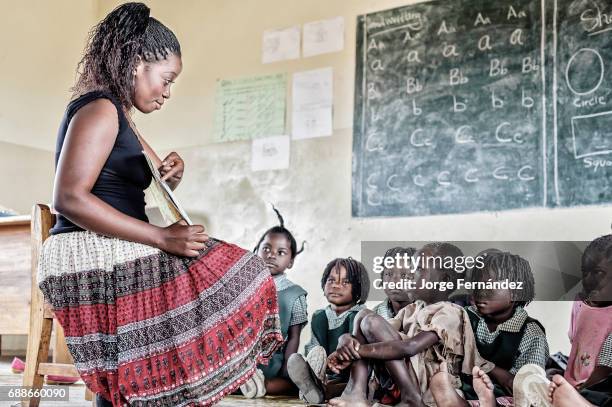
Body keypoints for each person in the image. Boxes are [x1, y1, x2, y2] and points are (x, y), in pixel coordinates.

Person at [36, 3, 282, 406]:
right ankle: (160, 388)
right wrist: (160, 237)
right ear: (136, 63)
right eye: (165, 79)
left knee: (218, 266)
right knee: (241, 273)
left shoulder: (120, 116)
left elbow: (153, 171)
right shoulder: (99, 109)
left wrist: (173, 171)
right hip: (90, 251)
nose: (167, 92)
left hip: (115, 248)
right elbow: (68, 198)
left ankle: (154, 389)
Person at [327, 242, 494, 407]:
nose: (411, 274)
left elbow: (411, 347)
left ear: (444, 280)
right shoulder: (413, 309)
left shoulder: (450, 312)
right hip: (409, 374)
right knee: (364, 315)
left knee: (370, 320)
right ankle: (356, 391)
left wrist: (356, 351)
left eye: (419, 269)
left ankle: (412, 399)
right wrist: (345, 341)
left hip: (430, 381)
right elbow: (378, 332)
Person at [239, 206, 307, 397]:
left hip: (273, 362)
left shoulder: (295, 294)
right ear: (256, 250)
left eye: (281, 252)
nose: (271, 255)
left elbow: (294, 336)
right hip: (241, 359)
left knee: (291, 384)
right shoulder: (244, 287)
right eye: (266, 249)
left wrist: (287, 367)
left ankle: (261, 385)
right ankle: (248, 384)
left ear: (291, 261)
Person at [462, 251, 549, 399]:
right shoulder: (465, 316)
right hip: (463, 385)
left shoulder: (532, 334)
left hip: (501, 396)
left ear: (515, 293)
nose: (481, 292)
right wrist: (494, 370)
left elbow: (528, 385)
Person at [288, 257, 370, 404]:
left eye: (345, 282)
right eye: (331, 280)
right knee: (313, 355)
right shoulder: (320, 317)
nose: (336, 286)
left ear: (358, 288)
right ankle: (315, 385)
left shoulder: (360, 315)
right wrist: (319, 361)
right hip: (328, 372)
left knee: (345, 386)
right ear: (323, 285)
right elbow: (314, 346)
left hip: (356, 376)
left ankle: (320, 390)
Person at [372, 247, 417, 320]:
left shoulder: (430, 312)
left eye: (404, 275)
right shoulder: (374, 314)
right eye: (389, 274)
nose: (394, 281)